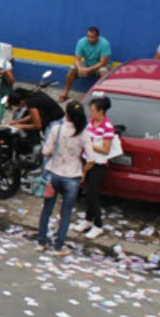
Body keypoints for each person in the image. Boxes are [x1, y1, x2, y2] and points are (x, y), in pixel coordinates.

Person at [36, 101, 88, 256]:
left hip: (53, 174)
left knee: (47, 209)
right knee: (66, 213)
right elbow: (91, 157)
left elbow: (46, 151)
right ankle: (58, 247)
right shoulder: (84, 133)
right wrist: (84, 170)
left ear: (67, 114)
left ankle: (41, 242)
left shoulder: (57, 129)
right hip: (73, 176)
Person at [76, 96, 116, 240]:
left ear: (101, 111)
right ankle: (87, 220)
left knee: (92, 193)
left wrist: (89, 145)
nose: (90, 113)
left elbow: (106, 149)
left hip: (99, 164)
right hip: (88, 161)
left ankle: (98, 225)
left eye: (92, 110)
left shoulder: (108, 127)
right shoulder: (90, 123)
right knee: (87, 191)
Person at [59, 26, 111, 101]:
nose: (90, 39)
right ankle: (65, 93)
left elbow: (103, 62)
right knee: (72, 70)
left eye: (92, 37)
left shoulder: (104, 43)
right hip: (87, 64)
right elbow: (77, 59)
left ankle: (102, 98)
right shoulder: (81, 42)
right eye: (88, 36)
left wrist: (88, 69)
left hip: (100, 66)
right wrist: (80, 68)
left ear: (97, 37)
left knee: (104, 72)